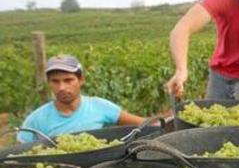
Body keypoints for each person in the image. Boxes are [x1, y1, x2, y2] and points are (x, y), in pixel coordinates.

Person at [17, 54, 146, 143]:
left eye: (68, 80)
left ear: (81, 80)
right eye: (55, 81)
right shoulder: (36, 119)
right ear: (49, 83)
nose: (62, 87)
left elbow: (144, 124)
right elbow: (19, 153)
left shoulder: (100, 107)